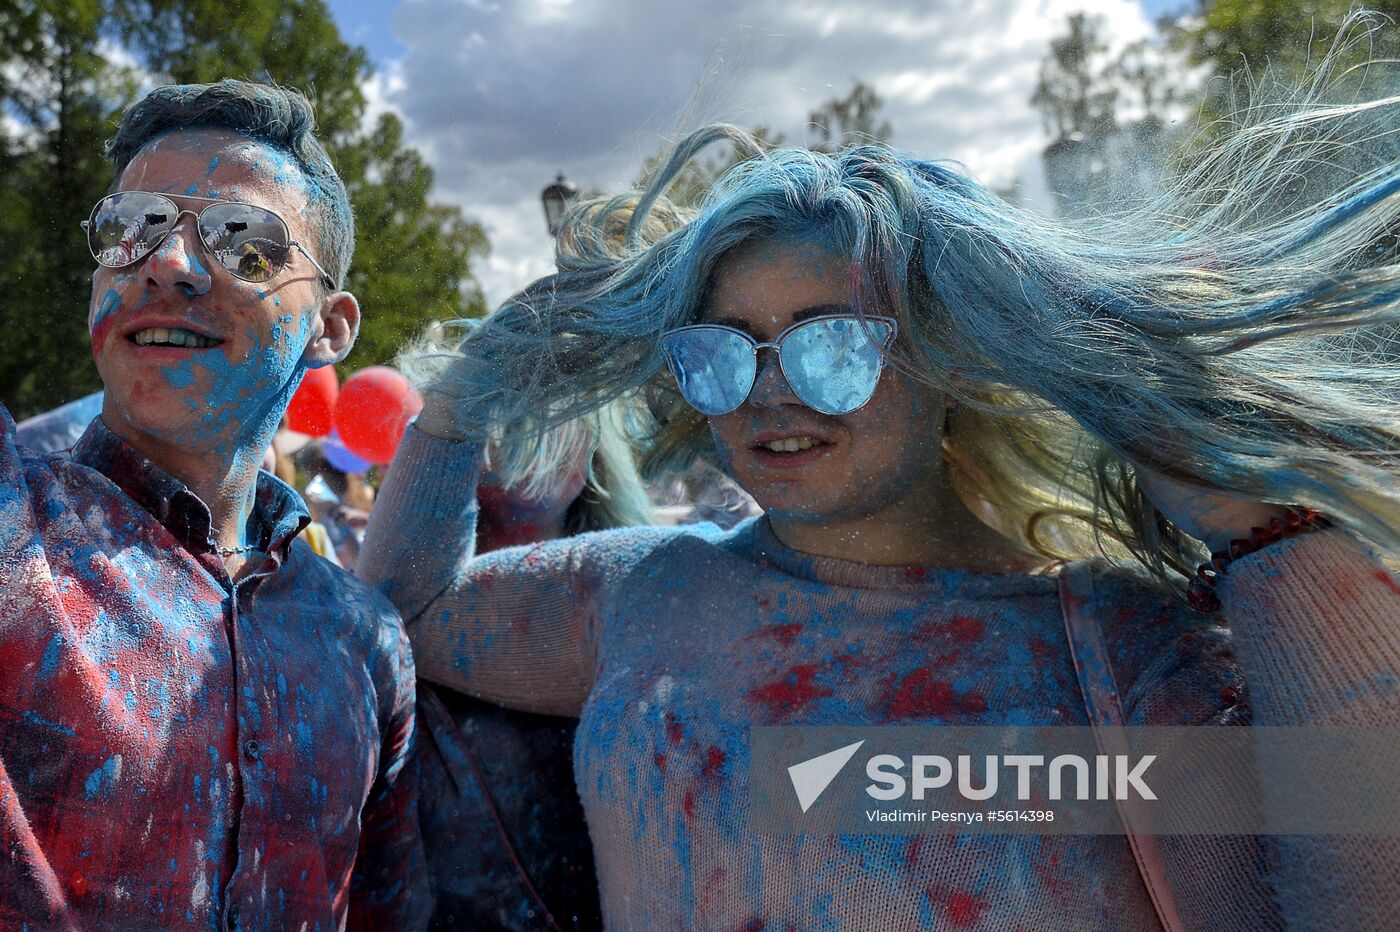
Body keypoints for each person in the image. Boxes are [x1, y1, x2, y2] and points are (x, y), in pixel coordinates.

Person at [361, 33, 1400, 929]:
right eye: (718, 352)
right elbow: (403, 614)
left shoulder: (1103, 643)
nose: (769, 394)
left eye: (830, 347)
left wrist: (1269, 542)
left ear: (945, 360)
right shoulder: (649, 590)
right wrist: (454, 416)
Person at [0, 80, 428, 929]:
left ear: (331, 329)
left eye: (243, 240)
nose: (165, 261)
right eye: (131, 229)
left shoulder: (364, 641)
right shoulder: (18, 530)